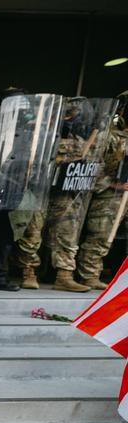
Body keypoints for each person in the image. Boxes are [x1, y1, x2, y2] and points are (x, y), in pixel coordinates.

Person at [15, 96, 102, 292]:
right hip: (40, 190)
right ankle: (28, 272)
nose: (72, 118)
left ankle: (64, 275)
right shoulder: (41, 135)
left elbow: (95, 164)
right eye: (69, 114)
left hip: (66, 193)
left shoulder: (84, 139)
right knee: (32, 232)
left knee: (67, 234)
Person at [76, 90, 128, 289]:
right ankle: (89, 274)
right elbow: (91, 164)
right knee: (101, 235)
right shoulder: (109, 136)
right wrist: (111, 184)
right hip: (110, 196)